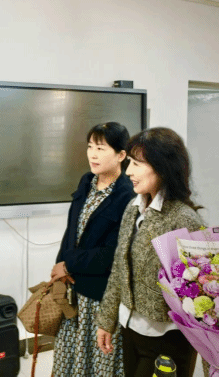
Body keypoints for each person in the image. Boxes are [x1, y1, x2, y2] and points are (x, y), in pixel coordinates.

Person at [96, 127, 204, 377]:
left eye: (137, 164)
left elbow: (202, 297)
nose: (129, 171)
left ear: (163, 168)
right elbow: (119, 269)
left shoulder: (183, 220)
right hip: (131, 329)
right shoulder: (133, 208)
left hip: (167, 338)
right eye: (130, 163)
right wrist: (106, 320)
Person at [50, 122, 135, 376]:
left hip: (100, 296)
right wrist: (60, 266)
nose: (93, 154)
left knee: (97, 362)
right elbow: (72, 229)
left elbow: (112, 254)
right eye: (90, 147)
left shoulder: (127, 195)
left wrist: (68, 264)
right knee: (69, 358)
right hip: (73, 289)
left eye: (101, 148)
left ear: (121, 155)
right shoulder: (86, 182)